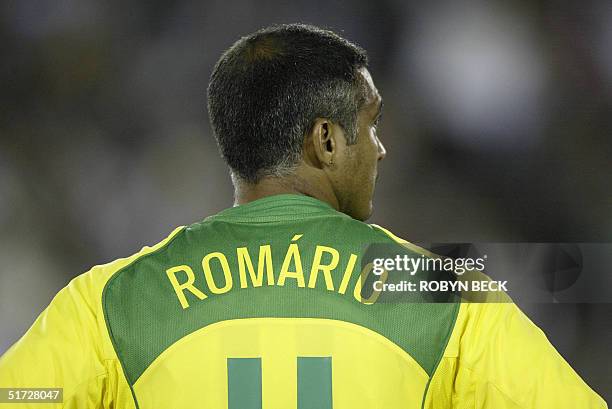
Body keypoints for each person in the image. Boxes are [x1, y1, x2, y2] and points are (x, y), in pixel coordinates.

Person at [0, 23, 606, 409]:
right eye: (370, 125)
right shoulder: (439, 295)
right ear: (326, 140)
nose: (381, 148)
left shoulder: (111, 304)